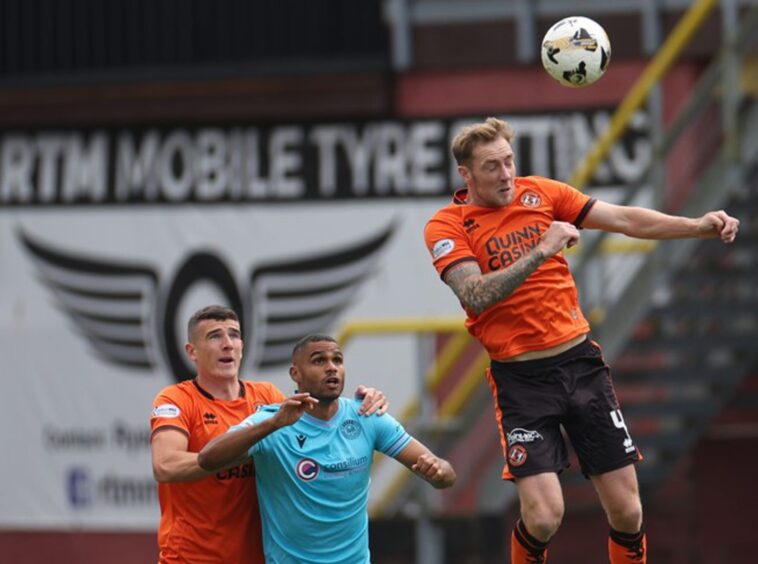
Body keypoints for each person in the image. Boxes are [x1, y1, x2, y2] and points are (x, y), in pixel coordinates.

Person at [423, 117, 739, 564]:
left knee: (628, 510)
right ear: (466, 175)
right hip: (521, 381)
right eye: (492, 166)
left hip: (580, 365)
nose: (506, 174)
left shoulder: (543, 193)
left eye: (509, 161)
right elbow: (474, 294)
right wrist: (543, 249)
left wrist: (697, 225)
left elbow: (627, 219)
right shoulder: (447, 226)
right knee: (545, 515)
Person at [150, 305, 389, 564]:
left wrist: (360, 406)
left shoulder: (266, 397)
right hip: (191, 558)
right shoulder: (177, 399)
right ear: (191, 351)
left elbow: (317, 422)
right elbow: (165, 466)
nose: (227, 344)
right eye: (215, 336)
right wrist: (233, 452)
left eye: (234, 335)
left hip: (258, 557)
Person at [197, 334, 457, 564]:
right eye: (319, 361)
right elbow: (208, 458)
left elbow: (444, 475)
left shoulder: (366, 415)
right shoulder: (274, 421)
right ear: (295, 374)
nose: (331, 367)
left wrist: (438, 471)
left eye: (337, 360)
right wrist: (273, 424)